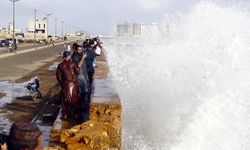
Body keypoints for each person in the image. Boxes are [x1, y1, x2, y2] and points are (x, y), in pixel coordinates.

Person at [56, 51, 86, 120]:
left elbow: (58, 76)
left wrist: (62, 84)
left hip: (66, 84)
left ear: (64, 57)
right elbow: (77, 72)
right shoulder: (72, 63)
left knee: (65, 100)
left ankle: (65, 115)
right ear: (69, 56)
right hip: (73, 83)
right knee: (74, 99)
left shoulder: (60, 65)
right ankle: (76, 114)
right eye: (69, 56)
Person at [72, 45, 90, 122]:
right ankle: (80, 113)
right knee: (82, 93)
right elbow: (78, 65)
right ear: (76, 50)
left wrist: (87, 77)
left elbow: (84, 68)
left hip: (84, 76)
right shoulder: (75, 57)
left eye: (81, 49)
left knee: (85, 93)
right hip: (79, 77)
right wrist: (83, 58)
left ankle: (82, 111)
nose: (80, 51)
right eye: (79, 50)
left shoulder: (82, 55)